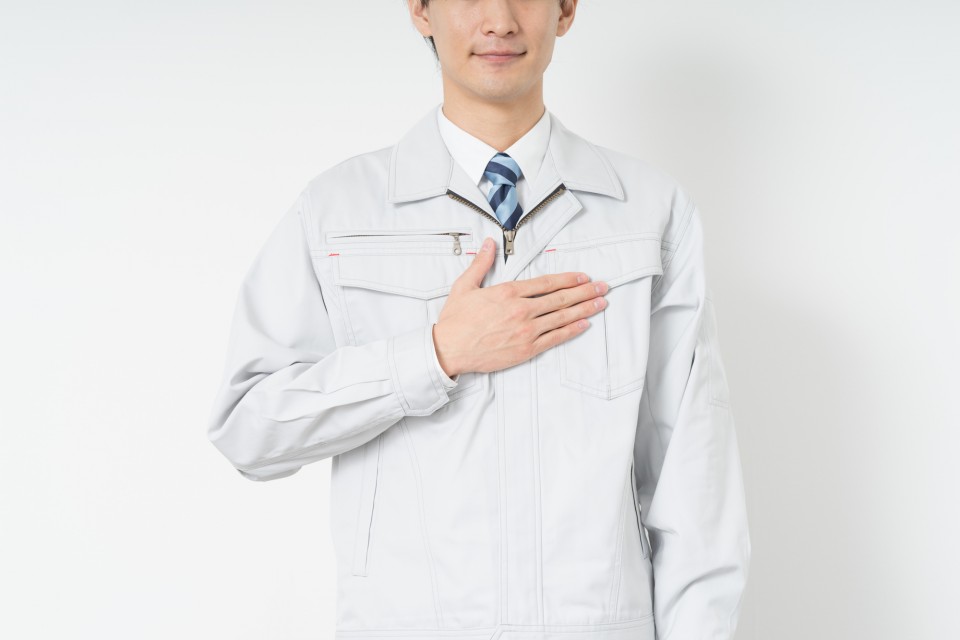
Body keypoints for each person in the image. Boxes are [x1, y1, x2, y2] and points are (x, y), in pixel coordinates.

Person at [206, 0, 751, 638]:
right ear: (421, 10)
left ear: (566, 9)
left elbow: (695, 483)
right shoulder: (337, 213)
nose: (499, 19)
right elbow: (248, 430)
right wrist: (434, 355)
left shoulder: (648, 212)